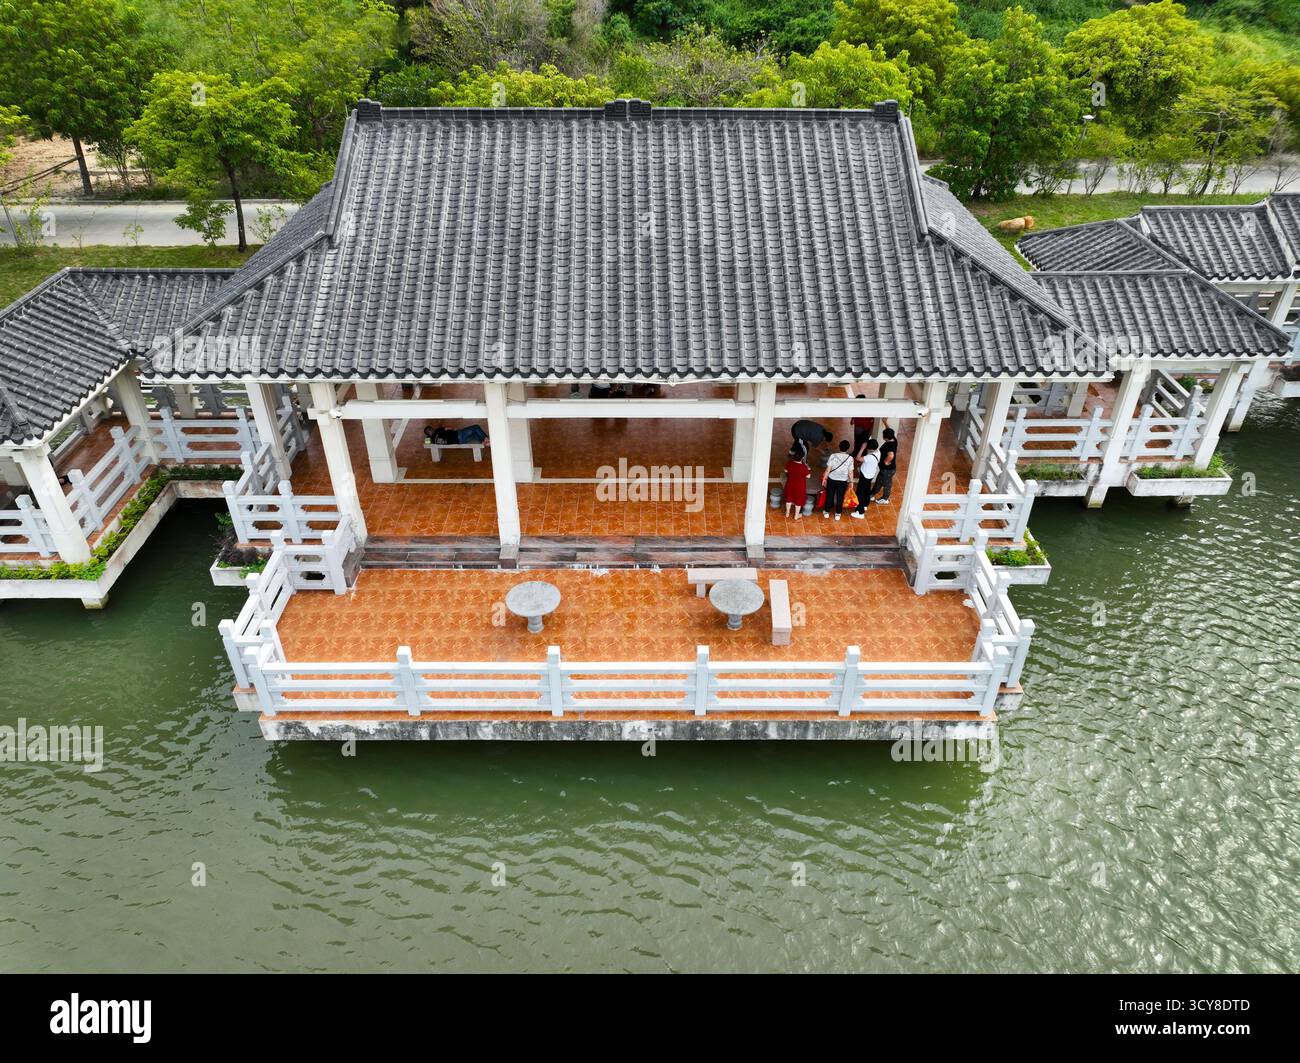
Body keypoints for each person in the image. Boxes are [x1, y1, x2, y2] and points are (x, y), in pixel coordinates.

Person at [821, 440, 854, 520]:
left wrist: (824, 478)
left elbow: (828, 469)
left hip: (832, 479)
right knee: (840, 497)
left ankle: (826, 512)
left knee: (830, 495)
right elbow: (850, 472)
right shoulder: (850, 458)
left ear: (839, 447)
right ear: (848, 448)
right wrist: (851, 482)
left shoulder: (833, 456)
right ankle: (838, 514)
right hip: (843, 481)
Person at [851, 440, 880, 519]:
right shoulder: (878, 452)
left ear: (869, 448)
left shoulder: (869, 457)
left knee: (859, 493)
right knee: (867, 490)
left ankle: (860, 512)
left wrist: (862, 448)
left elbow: (857, 458)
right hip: (870, 474)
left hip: (865, 475)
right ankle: (865, 505)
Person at [871, 427, 898, 505]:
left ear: (885, 437)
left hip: (887, 470)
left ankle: (884, 499)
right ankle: (872, 494)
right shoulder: (894, 439)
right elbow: (889, 430)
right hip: (886, 469)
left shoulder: (890, 445)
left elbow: (891, 455)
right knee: (879, 482)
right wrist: (885, 422)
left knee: (886, 484)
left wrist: (886, 461)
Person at [783, 454, 810, 520]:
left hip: (790, 484)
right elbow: (808, 476)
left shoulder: (789, 463)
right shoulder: (804, 467)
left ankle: (787, 513)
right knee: (798, 501)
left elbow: (785, 470)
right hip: (800, 486)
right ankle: (796, 516)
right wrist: (808, 469)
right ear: (802, 458)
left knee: (789, 499)